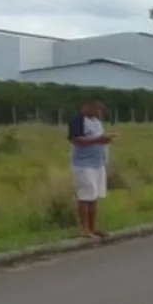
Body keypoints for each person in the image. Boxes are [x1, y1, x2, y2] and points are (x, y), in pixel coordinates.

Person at [66, 98, 112, 238]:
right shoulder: (78, 121)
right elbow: (76, 140)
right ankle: (84, 229)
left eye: (99, 109)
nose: (98, 112)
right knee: (85, 195)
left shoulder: (97, 122)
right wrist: (98, 140)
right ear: (86, 107)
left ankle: (93, 227)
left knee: (94, 195)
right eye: (95, 108)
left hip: (98, 163)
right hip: (83, 164)